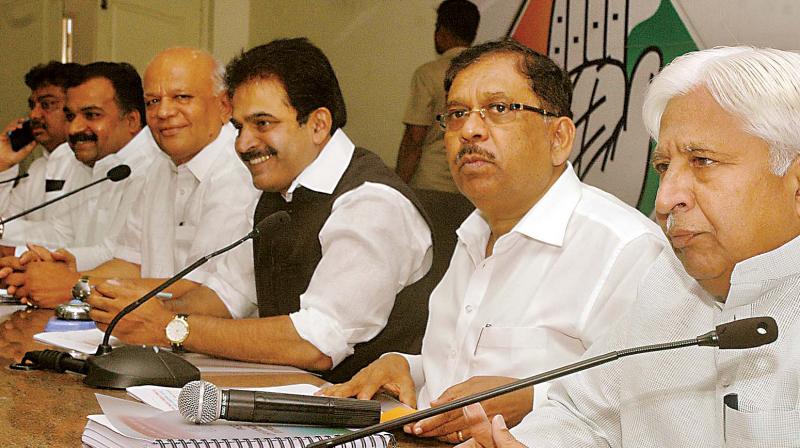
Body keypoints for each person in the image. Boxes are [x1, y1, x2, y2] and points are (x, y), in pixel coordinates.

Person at [320, 39, 666, 443]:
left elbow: (649, 406)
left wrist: (532, 398)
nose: (469, 130)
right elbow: (462, 367)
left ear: (559, 137)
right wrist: (405, 366)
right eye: (456, 113)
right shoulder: (474, 232)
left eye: (499, 109)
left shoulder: (625, 249)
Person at [458, 46, 800, 448]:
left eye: (703, 162)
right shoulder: (669, 281)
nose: (665, 199)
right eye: (663, 167)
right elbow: (582, 414)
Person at [86, 38, 434, 383]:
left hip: (375, 427)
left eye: (262, 124)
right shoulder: (278, 194)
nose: (242, 144)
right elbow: (226, 293)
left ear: (318, 124)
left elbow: (316, 342)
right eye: (239, 127)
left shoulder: (372, 204)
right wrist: (143, 313)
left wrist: (170, 327)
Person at [6, 48, 258, 308]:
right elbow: (132, 263)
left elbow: (206, 290)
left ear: (224, 105)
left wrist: (76, 285)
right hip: (148, 335)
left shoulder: (240, 170)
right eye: (153, 101)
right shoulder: (161, 166)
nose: (163, 112)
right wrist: (62, 276)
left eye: (181, 97)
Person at [0, 62, 159, 300]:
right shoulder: (95, 161)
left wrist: (59, 273)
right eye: (70, 116)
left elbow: (124, 258)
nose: (74, 128)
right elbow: (68, 233)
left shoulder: (154, 167)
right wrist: (43, 260)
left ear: (133, 121)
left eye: (91, 115)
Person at [395, 0, 480, 193]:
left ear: (441, 31)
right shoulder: (484, 75)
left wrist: (398, 186)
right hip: (468, 185)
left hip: (429, 184)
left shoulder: (428, 74)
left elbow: (414, 138)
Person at [0, 62, 82, 230]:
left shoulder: (88, 166)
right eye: (33, 105)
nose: (34, 115)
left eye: (47, 104)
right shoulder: (37, 168)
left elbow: (63, 235)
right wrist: (3, 164)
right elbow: (4, 220)